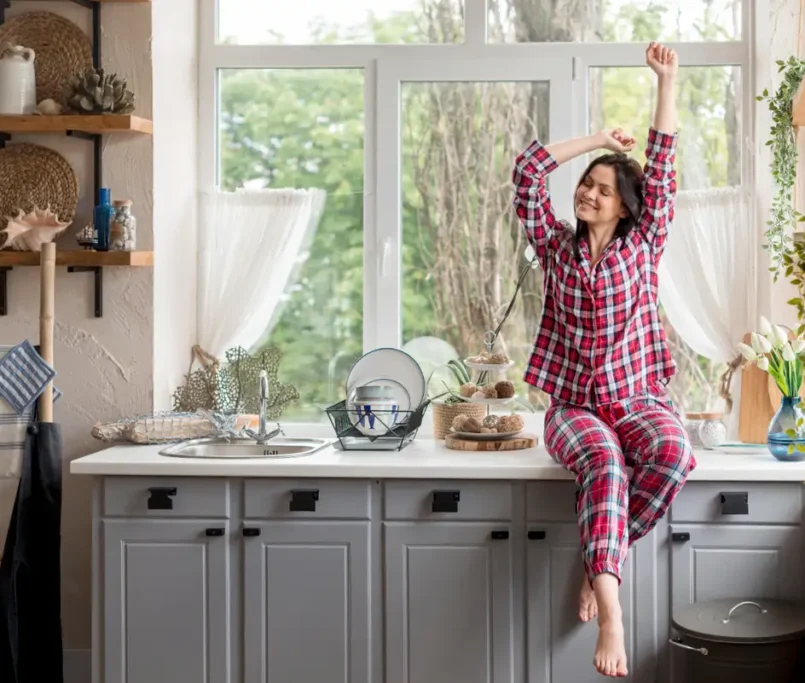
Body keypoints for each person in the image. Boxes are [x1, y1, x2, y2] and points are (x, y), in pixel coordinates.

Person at [512, 42, 695, 678]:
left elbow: (664, 163)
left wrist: (665, 82)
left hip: (640, 399)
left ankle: (599, 563)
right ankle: (614, 611)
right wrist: (595, 140)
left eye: (603, 189)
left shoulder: (644, 245)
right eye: (587, 184)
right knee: (605, 461)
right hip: (573, 409)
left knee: (675, 455)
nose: (588, 193)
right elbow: (528, 170)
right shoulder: (553, 246)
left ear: (625, 207)